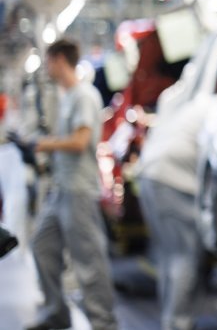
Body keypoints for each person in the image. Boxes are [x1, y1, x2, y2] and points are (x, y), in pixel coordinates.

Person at [28, 39, 118, 330]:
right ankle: (57, 312)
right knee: (42, 245)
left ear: (58, 59)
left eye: (48, 60)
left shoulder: (84, 96)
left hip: (79, 191)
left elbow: (80, 142)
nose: (46, 66)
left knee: (89, 262)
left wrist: (46, 144)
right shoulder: (67, 96)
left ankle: (104, 324)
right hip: (61, 189)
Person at [135, 82, 208, 330]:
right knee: (184, 256)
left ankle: (170, 318)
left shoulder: (185, 108)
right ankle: (178, 323)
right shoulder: (216, 109)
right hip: (172, 181)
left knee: (168, 254)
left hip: (149, 176)